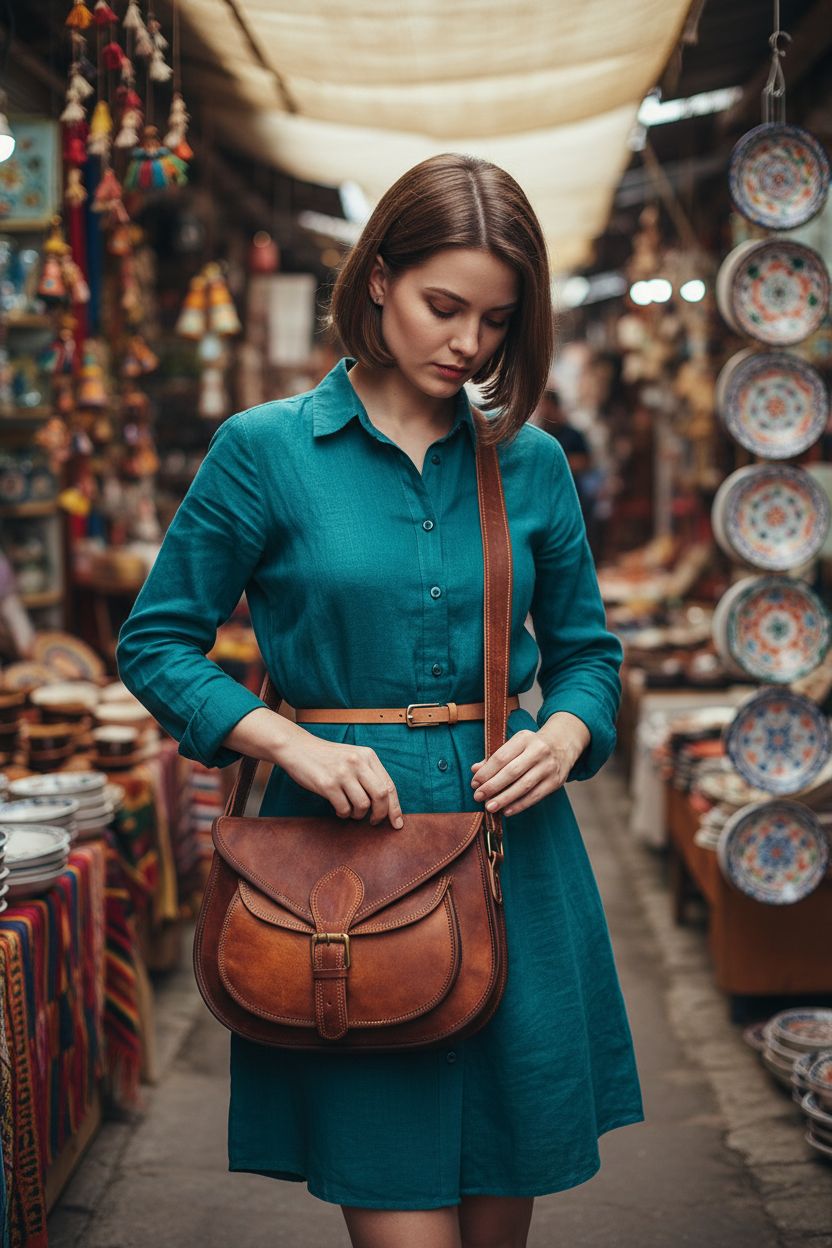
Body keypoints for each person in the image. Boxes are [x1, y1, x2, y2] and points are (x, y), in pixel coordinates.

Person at [115, 152, 643, 1248]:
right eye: (443, 306)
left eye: (496, 320)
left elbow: (589, 654)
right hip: (344, 882)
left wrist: (565, 727)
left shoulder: (529, 462)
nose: (469, 343)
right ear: (376, 281)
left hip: (516, 866)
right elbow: (158, 643)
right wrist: (285, 743)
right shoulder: (265, 452)